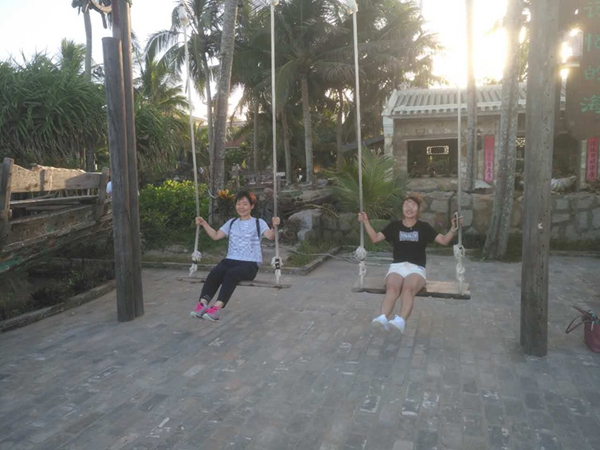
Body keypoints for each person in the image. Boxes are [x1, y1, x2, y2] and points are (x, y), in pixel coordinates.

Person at [357, 195, 462, 333]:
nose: (409, 207)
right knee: (392, 288)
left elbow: (443, 240)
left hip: (416, 268)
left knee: (408, 289)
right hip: (397, 267)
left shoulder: (424, 227)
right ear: (402, 208)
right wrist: (366, 222)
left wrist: (453, 228)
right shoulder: (394, 226)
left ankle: (400, 321)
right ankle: (382, 318)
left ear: (418, 209)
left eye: (413, 205)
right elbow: (375, 238)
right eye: (406, 204)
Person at [190, 190, 281, 322]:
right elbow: (216, 236)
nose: (241, 207)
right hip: (230, 259)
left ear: (252, 206)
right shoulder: (232, 222)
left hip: (250, 264)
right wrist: (204, 223)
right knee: (216, 272)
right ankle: (202, 304)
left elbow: (271, 236)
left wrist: (274, 226)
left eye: (245, 204)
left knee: (231, 274)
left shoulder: (258, 222)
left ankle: (216, 309)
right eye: (238, 204)